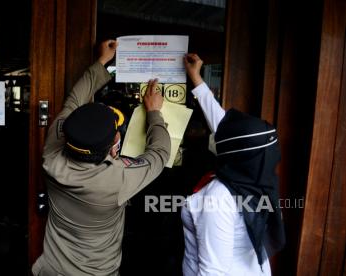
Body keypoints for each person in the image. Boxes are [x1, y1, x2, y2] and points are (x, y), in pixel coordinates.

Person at [32, 40, 171, 276]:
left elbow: (73, 101)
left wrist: (102, 62)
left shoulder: (52, 154)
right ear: (115, 143)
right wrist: (154, 112)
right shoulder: (116, 180)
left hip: (52, 269)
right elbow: (159, 154)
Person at [181, 53, 285, 275]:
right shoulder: (260, 178)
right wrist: (196, 79)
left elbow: (213, 272)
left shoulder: (219, 197)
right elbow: (228, 132)